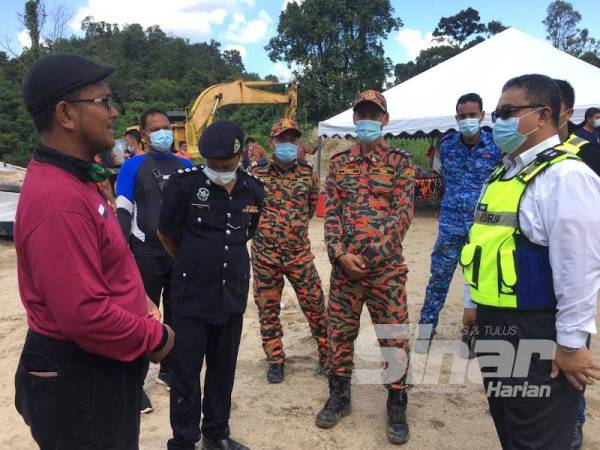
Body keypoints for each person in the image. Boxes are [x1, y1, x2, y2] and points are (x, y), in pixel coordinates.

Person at [14, 53, 174, 450]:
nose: (115, 112)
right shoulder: (58, 201)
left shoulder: (78, 177)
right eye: (103, 102)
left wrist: (141, 303)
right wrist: (156, 337)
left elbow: (109, 260)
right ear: (66, 114)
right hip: (80, 373)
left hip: (96, 365)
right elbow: (84, 315)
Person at [461, 74, 600, 449]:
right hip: (495, 324)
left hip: (537, 328)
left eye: (508, 112)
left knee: (538, 437)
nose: (498, 120)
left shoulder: (566, 177)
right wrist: (472, 304)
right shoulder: (505, 173)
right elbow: (481, 243)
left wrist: (571, 344)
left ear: (542, 115)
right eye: (497, 112)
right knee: (509, 425)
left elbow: (580, 268)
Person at [316, 90, 414, 445]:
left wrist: (369, 258)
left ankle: (397, 402)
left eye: (374, 114)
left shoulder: (401, 163)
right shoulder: (340, 164)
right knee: (338, 335)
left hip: (385, 271)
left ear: (385, 119)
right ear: (354, 119)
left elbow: (402, 216)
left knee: (394, 336)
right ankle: (339, 396)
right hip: (345, 271)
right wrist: (340, 254)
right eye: (362, 114)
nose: (367, 120)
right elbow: (331, 216)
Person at [158, 120, 263, 450]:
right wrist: (194, 262)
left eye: (226, 165)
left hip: (231, 295)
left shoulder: (253, 189)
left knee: (223, 369)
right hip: (191, 296)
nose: (219, 170)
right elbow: (166, 234)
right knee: (186, 372)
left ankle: (216, 434)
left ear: (240, 156)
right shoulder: (183, 185)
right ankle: (184, 440)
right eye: (213, 165)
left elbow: (248, 232)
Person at [116, 108, 192, 412]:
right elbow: (123, 207)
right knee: (142, 317)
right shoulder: (133, 166)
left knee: (177, 312)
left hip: (178, 252)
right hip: (144, 250)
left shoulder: (185, 165)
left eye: (167, 127)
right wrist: (120, 251)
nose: (164, 133)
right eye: (157, 129)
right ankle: (133, 384)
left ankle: (168, 370)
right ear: (145, 135)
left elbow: (195, 210)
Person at [416, 93, 500, 350]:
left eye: (472, 115)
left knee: (479, 282)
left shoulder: (496, 146)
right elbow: (439, 178)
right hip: (451, 223)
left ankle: (471, 335)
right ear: (456, 118)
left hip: (481, 225)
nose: (467, 120)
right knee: (439, 278)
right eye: (462, 116)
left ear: (482, 116)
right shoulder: (447, 145)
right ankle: (425, 332)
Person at [250, 118, 327, 383]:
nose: (288, 144)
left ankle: (327, 355)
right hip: (264, 256)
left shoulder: (308, 173)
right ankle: (275, 360)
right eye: (283, 140)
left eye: (293, 139)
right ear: (272, 142)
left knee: (315, 305)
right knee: (268, 309)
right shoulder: (256, 173)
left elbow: (311, 207)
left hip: (299, 254)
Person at [553, 78, 600, 450]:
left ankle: (574, 424)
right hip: (533, 280)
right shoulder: (519, 158)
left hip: (571, 263)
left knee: (570, 358)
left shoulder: (582, 155)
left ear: (561, 112)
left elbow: (583, 261)